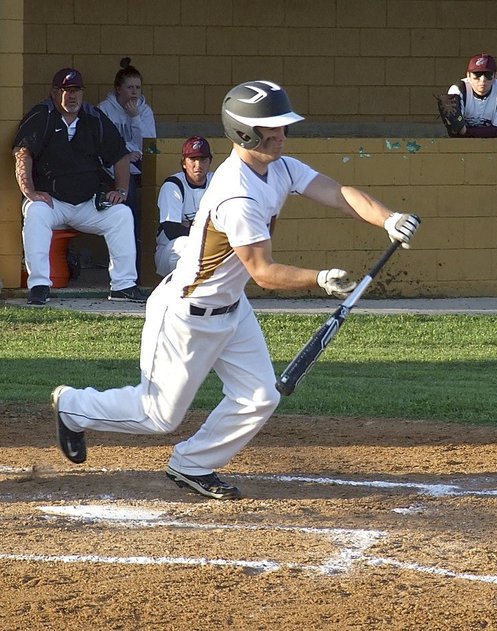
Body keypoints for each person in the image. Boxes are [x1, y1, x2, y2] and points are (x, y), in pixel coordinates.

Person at [50, 80, 420, 500]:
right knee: (157, 415)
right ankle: (73, 406)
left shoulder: (278, 167)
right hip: (187, 315)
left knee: (260, 395)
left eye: (283, 126)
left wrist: (389, 218)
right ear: (246, 132)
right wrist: (319, 279)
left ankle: (193, 464)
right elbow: (263, 271)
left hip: (232, 308)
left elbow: (337, 193)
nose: (282, 135)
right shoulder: (236, 195)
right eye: (273, 127)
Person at [12, 67, 146, 306]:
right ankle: (40, 285)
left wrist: (121, 190)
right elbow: (23, 153)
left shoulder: (93, 117)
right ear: (55, 92)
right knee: (34, 211)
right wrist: (29, 191)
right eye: (66, 90)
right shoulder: (42, 115)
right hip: (53, 202)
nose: (72, 96)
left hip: (88, 203)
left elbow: (120, 156)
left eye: (76, 90)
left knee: (122, 215)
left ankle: (123, 286)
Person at [98, 57, 157, 279]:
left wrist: (135, 118)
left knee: (151, 199)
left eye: (138, 88)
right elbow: (99, 144)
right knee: (128, 201)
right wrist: (122, 154)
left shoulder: (144, 110)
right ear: (118, 89)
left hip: (138, 164)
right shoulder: (104, 110)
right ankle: (128, 263)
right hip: (110, 167)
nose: (134, 93)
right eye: (130, 87)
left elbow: (150, 144)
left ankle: (143, 261)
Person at [155, 136, 214, 277]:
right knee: (186, 244)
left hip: (207, 246)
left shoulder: (217, 182)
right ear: (183, 163)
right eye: (193, 160)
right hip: (169, 252)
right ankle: (179, 290)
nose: (198, 165)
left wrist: (190, 225)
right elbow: (172, 230)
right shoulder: (173, 185)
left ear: (210, 161)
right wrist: (208, 229)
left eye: (203, 160)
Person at [446, 53, 497, 137]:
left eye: (488, 75)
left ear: (495, 76)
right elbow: (455, 129)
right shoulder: (458, 89)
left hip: (492, 146)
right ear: (468, 75)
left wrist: (465, 131)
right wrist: (492, 131)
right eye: (477, 74)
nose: (482, 80)